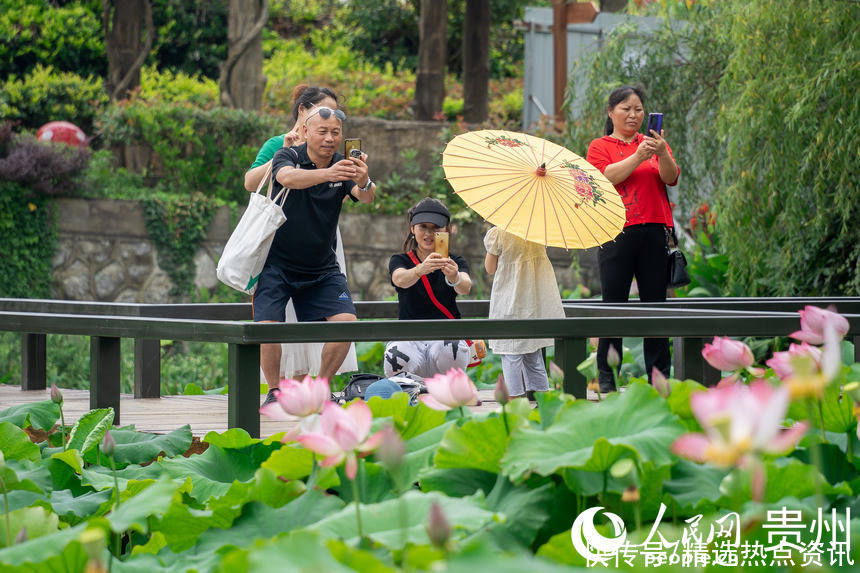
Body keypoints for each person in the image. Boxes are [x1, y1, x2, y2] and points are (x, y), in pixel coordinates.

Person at [256, 102, 376, 405]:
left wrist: (364, 180)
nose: (330, 138)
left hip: (322, 268)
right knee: (268, 327)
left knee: (347, 323)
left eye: (336, 132)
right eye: (322, 131)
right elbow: (286, 178)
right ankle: (274, 391)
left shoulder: (342, 163)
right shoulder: (288, 155)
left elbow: (366, 198)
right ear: (306, 131)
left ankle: (320, 388)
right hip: (277, 264)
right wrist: (328, 174)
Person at [245, 85, 357, 384]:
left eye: (336, 122)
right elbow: (251, 182)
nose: (330, 130)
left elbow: (351, 193)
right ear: (303, 113)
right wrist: (284, 154)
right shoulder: (278, 145)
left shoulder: (333, 153)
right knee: (275, 323)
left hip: (322, 241)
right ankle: (279, 388)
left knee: (329, 319)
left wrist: (353, 180)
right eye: (323, 115)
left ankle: (315, 386)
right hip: (280, 238)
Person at [586, 85, 680, 393]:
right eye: (626, 108)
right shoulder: (600, 146)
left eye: (639, 109)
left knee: (656, 307)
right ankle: (607, 379)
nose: (633, 115)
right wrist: (639, 156)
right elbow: (604, 177)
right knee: (613, 306)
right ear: (611, 112)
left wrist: (662, 151)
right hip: (615, 233)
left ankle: (659, 379)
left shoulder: (653, 143)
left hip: (653, 232)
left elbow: (670, 177)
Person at [383, 197, 473, 379]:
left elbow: (466, 286)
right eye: (423, 226)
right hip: (409, 339)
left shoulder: (455, 261)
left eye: (436, 228)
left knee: (451, 348)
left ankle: (448, 394)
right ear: (412, 229)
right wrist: (419, 270)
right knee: (396, 355)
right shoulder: (401, 260)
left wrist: (454, 276)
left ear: (446, 230)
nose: (429, 233)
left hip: (444, 338)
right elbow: (399, 278)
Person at [484, 226, 564, 399]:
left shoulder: (499, 233)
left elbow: (490, 268)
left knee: (511, 352)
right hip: (534, 302)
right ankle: (543, 399)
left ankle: (514, 403)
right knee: (533, 353)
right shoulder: (539, 231)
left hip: (510, 302)